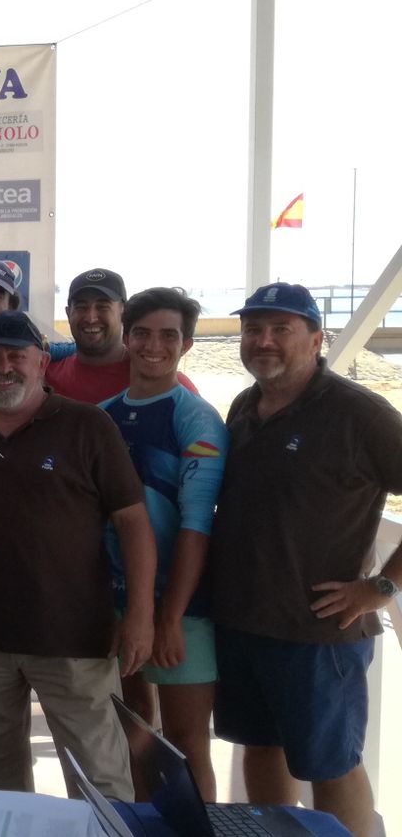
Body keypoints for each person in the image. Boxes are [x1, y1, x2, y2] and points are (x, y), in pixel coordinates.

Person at [0, 310, 157, 801]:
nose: (2, 367)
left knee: (101, 783)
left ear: (42, 362)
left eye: (14, 356)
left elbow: (132, 522)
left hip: (73, 638)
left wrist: (141, 614)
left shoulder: (89, 425)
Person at [209, 283, 402, 837]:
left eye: (281, 329)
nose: (263, 340)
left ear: (316, 340)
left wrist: (382, 588)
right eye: (253, 329)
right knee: (259, 747)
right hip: (243, 624)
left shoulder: (360, 413)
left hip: (320, 634)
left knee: (331, 767)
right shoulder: (245, 406)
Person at [96, 287, 227, 802]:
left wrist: (168, 618)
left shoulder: (196, 417)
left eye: (168, 335)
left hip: (182, 608)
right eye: (143, 334)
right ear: (126, 339)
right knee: (133, 732)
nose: (154, 346)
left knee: (187, 742)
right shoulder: (102, 415)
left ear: (186, 344)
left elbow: (197, 525)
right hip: (117, 602)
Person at [48, 268, 197, 403]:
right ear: (68, 313)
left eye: (103, 307)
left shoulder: (166, 386)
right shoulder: (44, 377)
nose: (91, 318)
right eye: (81, 307)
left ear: (123, 312)